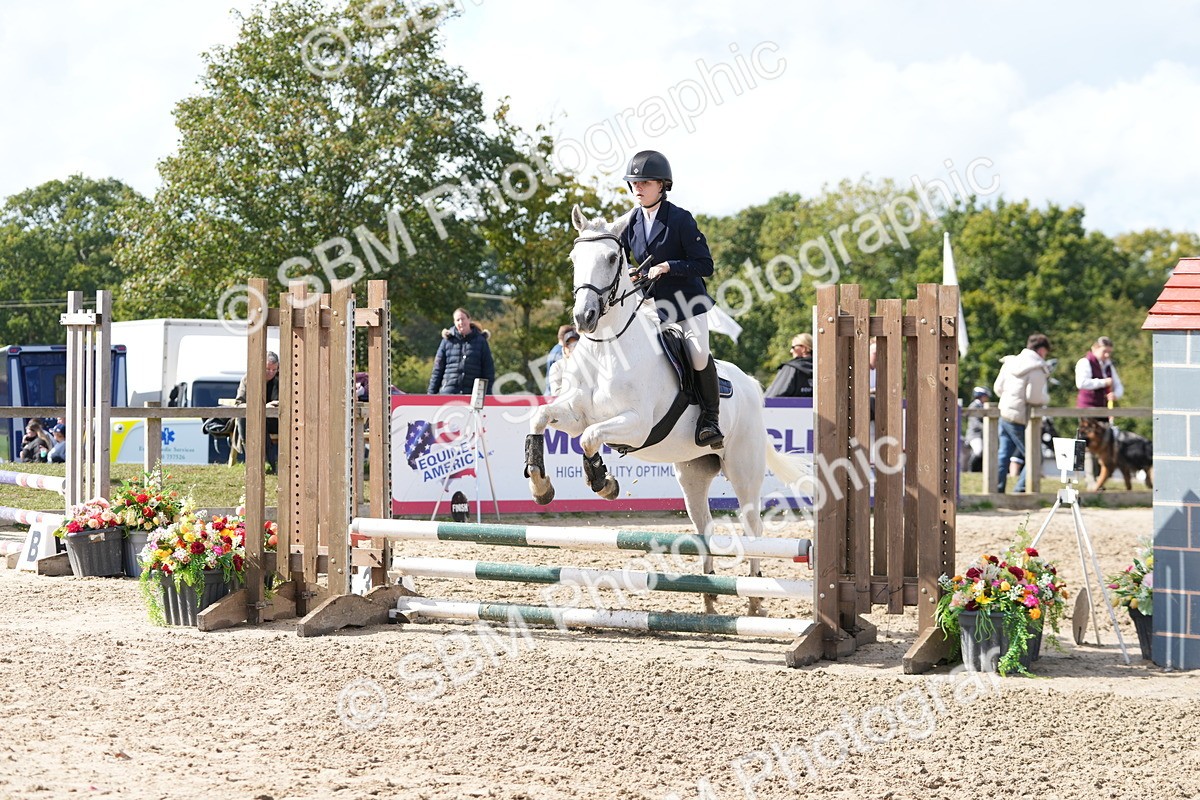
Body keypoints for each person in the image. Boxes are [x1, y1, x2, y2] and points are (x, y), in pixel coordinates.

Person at [618, 149, 723, 448]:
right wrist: (631, 273)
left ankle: (710, 419)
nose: (638, 188)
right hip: (650, 306)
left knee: (699, 353)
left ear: (662, 185)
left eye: (645, 182)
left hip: (686, 304)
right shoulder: (630, 222)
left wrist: (668, 266)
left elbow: (705, 265)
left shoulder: (680, 219)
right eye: (635, 183)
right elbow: (622, 261)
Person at [993, 333, 1053, 493]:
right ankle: (1019, 490)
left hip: (1004, 413)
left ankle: (996, 490)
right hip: (1020, 418)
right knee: (1035, 457)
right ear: (1041, 350)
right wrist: (1046, 398)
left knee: (1003, 454)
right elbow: (1033, 397)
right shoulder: (1037, 368)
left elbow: (998, 388)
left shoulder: (1010, 361)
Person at [428, 307, 496, 395]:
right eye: (458, 320)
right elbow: (438, 369)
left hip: (472, 394)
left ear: (469, 319)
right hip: (448, 393)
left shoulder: (481, 341)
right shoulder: (447, 341)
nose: (461, 322)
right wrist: (431, 393)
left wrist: (487, 395)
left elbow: (488, 370)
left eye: (463, 319)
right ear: (454, 322)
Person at [235, 351, 280, 473]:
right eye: (267, 369)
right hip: (256, 419)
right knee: (245, 418)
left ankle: (275, 463)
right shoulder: (248, 379)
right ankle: (259, 462)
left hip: (278, 420)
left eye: (274, 369)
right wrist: (263, 408)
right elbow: (239, 404)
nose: (270, 373)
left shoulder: (282, 378)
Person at [1075, 336, 1123, 409]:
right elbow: (1081, 383)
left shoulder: (1109, 365)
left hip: (1105, 408)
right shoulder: (1085, 362)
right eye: (1104, 351)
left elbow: (1118, 384)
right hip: (1088, 408)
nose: (1107, 355)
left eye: (1109, 352)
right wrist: (1104, 382)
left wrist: (1116, 394)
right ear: (1094, 349)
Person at [764, 333, 813, 398]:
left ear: (804, 348)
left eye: (793, 347)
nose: (791, 351)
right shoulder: (823, 370)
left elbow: (772, 396)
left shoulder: (791, 368)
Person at [963, 386, 991, 472]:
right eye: (985, 396)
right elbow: (975, 422)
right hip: (974, 434)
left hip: (982, 434)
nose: (986, 398)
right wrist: (987, 426)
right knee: (978, 451)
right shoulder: (974, 406)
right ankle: (970, 470)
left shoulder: (982, 406)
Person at [548, 329, 580, 396]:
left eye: (575, 344)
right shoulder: (557, 366)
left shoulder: (588, 366)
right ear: (564, 347)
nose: (572, 347)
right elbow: (556, 394)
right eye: (568, 344)